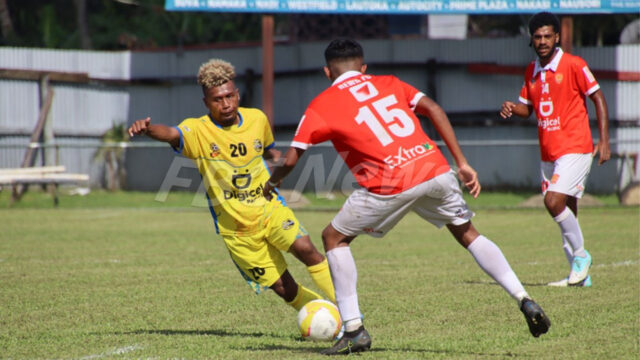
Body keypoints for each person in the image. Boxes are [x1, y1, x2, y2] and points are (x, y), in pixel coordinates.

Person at [264, 38, 550, 355]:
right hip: (434, 168)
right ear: (363, 68)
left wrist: (271, 182)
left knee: (333, 237)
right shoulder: (389, 82)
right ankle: (523, 297)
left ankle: (354, 330)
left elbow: (291, 159)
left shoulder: (323, 103)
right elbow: (434, 109)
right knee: (468, 233)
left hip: (389, 182)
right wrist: (463, 163)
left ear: (326, 72)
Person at [127, 59, 336, 313]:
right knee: (284, 288)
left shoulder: (257, 119)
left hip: (269, 208)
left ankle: (349, 311)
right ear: (206, 103)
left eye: (229, 96)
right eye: (217, 99)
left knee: (306, 249)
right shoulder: (197, 130)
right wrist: (148, 130)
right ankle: (322, 315)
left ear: (237, 95)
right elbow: (172, 134)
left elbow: (268, 150)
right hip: (236, 229)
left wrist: (278, 163)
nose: (225, 104)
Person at [500, 12, 610, 287]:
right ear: (532, 40)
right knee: (567, 209)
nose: (542, 41)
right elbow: (528, 109)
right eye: (537, 37)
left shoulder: (574, 64)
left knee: (553, 202)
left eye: (548, 36)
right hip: (548, 152)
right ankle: (579, 275)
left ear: (557, 37)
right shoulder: (531, 71)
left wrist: (604, 140)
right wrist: (514, 108)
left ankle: (582, 257)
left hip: (575, 147)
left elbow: (597, 97)